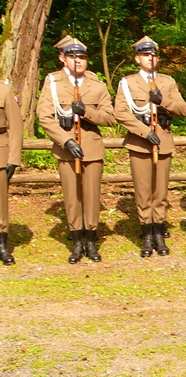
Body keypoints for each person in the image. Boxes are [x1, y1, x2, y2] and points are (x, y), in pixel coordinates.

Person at [37, 37, 117, 264]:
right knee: (72, 197)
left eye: (82, 57)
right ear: (62, 58)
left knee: (91, 196)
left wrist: (86, 113)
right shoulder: (52, 83)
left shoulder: (97, 85)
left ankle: (91, 241)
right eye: (73, 56)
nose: (79, 61)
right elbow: (44, 116)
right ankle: (76, 242)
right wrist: (65, 141)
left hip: (91, 148)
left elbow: (110, 118)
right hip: (67, 150)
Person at [114, 36, 186, 258]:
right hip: (140, 143)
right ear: (138, 58)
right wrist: (144, 132)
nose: (150, 58)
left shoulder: (168, 82)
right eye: (146, 55)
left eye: (153, 55)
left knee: (161, 191)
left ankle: (158, 229)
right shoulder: (128, 83)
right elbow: (121, 113)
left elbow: (183, 109)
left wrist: (162, 100)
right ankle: (146, 231)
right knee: (143, 190)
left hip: (163, 142)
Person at [0, 76, 23, 266]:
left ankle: (2, 245)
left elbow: (15, 126)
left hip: (0, 151)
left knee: (0, 203)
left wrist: (13, 158)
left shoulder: (4, 91)